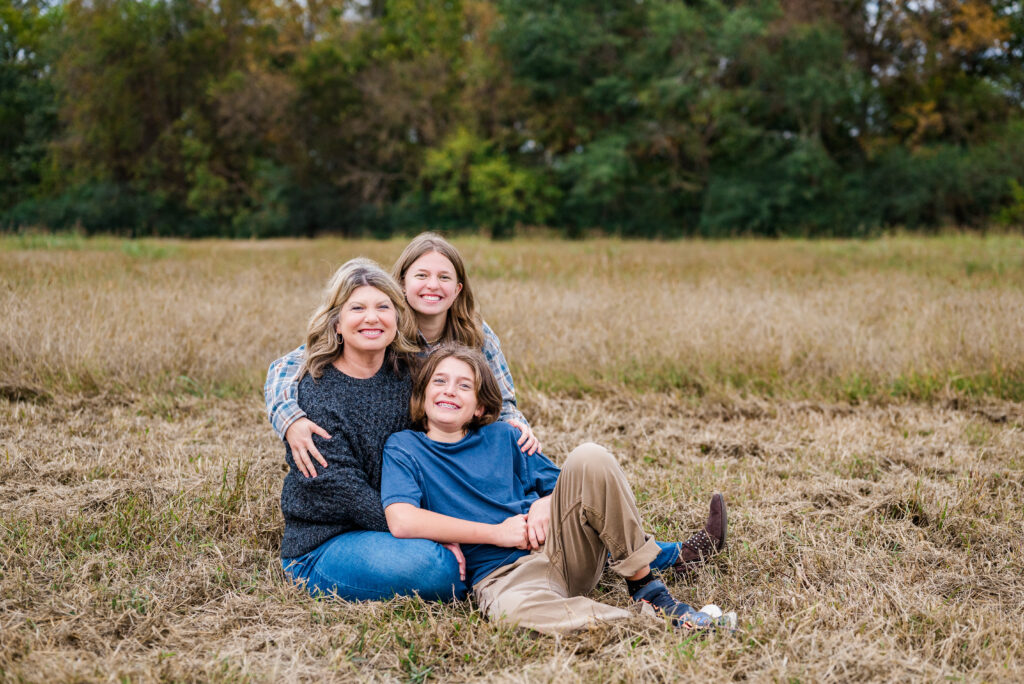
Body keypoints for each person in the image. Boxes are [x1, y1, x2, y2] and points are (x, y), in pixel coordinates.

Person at [381, 345, 736, 634]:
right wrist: (498, 534)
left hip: (563, 550)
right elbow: (402, 520)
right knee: (513, 614)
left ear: (481, 406)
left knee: (589, 456)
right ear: (422, 393)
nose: (449, 390)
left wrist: (546, 505)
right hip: (504, 577)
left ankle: (648, 589)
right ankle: (662, 623)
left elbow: (568, 486)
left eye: (463, 385)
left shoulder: (504, 436)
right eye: (439, 381)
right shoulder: (404, 447)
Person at [266, 232, 540, 482]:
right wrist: (291, 420)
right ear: (401, 283)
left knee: (516, 455)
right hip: (403, 449)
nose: (432, 286)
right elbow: (286, 367)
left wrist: (516, 426)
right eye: (421, 276)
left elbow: (503, 402)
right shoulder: (384, 327)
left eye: (444, 277)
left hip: (457, 439)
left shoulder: (476, 334)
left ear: (457, 290)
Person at [279, 258, 468, 601]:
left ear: (397, 318)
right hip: (329, 541)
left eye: (383, 307)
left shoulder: (409, 376)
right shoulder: (315, 391)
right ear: (337, 323)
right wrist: (435, 532)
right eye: (357, 308)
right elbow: (347, 493)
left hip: (402, 523)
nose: (371, 318)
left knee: (477, 541)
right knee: (438, 568)